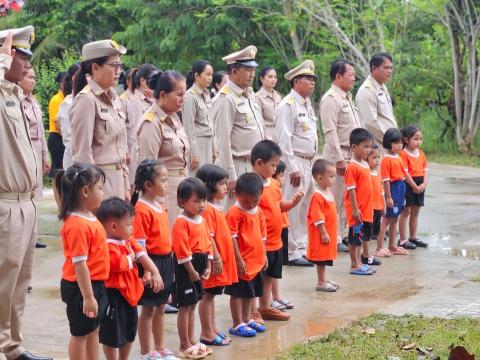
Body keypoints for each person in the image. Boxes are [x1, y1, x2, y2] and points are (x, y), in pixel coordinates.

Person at [0, 26, 52, 360]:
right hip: (5, 203)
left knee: (19, 283)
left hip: (27, 201)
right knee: (2, 283)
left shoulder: (19, 98)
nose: (25, 63)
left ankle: (12, 345)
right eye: (20, 55)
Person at [96, 197, 163, 360]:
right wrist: (131, 258)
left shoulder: (125, 240)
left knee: (128, 332)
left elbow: (140, 254)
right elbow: (118, 264)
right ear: (113, 226)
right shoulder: (107, 244)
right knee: (112, 335)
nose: (132, 229)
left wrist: (150, 273)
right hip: (114, 296)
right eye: (129, 225)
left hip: (130, 296)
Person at [55, 163, 108, 360]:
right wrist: (88, 297)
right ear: (85, 191)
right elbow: (80, 264)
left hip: (94, 284)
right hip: (80, 288)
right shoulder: (77, 225)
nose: (103, 193)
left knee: (93, 329)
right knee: (80, 333)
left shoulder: (89, 218)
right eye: (100, 188)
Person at [70, 39, 129, 200]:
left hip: (118, 180)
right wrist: (92, 191)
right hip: (99, 183)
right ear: (95, 68)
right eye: (113, 66)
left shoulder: (115, 99)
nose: (118, 71)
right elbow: (82, 153)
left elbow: (120, 147)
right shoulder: (86, 100)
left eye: (120, 66)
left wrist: (126, 185)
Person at [131, 160, 177, 360]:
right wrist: (148, 270)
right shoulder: (141, 209)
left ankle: (160, 347)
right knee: (148, 309)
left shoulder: (159, 205)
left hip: (166, 261)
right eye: (164, 180)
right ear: (148, 185)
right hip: (151, 263)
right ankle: (145, 351)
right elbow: (140, 243)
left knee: (160, 308)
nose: (167, 184)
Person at [251, 140, 303, 321]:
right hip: (260, 241)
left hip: (275, 240)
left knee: (269, 276)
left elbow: (280, 206)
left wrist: (293, 203)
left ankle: (265, 306)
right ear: (258, 163)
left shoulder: (274, 184)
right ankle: (253, 310)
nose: (275, 169)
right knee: (257, 276)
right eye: (272, 165)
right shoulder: (252, 186)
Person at [276, 60, 318, 266]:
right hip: (297, 163)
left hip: (308, 162)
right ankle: (292, 252)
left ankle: (301, 247)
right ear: (296, 82)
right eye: (308, 79)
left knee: (306, 208)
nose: (312, 83)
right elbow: (284, 139)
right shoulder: (288, 105)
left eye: (313, 79)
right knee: (293, 208)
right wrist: (291, 168)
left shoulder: (306, 104)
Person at [213, 45, 265, 207]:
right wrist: (231, 175)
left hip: (253, 165)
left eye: (253, 69)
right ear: (234, 71)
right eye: (248, 70)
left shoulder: (249, 94)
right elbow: (223, 140)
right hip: (236, 165)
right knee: (233, 214)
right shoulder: (225, 98)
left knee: (251, 216)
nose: (252, 74)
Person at [137, 70, 190, 226]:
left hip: (181, 188)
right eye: (179, 95)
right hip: (165, 193)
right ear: (163, 95)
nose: (182, 99)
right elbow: (149, 169)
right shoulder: (151, 123)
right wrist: (158, 203)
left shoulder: (174, 117)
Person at [320, 59, 362, 253]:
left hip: (350, 153)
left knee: (347, 197)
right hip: (337, 155)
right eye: (350, 75)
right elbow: (330, 131)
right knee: (334, 198)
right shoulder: (331, 98)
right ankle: (334, 236)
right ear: (338, 76)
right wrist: (338, 159)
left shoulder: (347, 98)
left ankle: (344, 234)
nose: (353, 78)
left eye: (354, 75)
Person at [171, 178, 213, 359]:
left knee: (194, 303)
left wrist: (209, 264)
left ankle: (192, 339)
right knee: (185, 305)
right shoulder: (181, 222)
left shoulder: (201, 219)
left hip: (200, 263)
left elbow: (207, 242)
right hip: (186, 266)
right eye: (196, 201)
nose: (202, 205)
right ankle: (183, 344)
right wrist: (191, 270)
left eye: (203, 200)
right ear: (182, 201)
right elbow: (181, 250)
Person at [196, 164, 237, 346]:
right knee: (207, 296)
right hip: (212, 261)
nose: (225, 187)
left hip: (217, 260)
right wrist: (217, 258)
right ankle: (206, 332)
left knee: (211, 296)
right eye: (221, 183)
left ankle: (212, 329)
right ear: (208, 184)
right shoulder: (207, 210)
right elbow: (208, 237)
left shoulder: (215, 207)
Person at [225, 173, 267, 338]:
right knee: (237, 293)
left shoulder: (258, 211)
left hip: (255, 261)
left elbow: (263, 236)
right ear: (237, 194)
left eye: (254, 201)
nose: (250, 205)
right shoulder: (235, 212)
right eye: (246, 202)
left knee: (251, 293)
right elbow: (231, 236)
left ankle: (247, 318)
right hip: (242, 262)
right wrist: (238, 258)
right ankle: (237, 323)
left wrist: (264, 255)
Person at [344, 128, 376, 276]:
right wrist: (355, 209)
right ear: (354, 147)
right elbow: (351, 190)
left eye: (370, 146)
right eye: (365, 146)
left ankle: (359, 262)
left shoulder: (364, 164)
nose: (368, 150)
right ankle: (354, 264)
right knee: (354, 238)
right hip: (357, 210)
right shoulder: (352, 167)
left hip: (366, 209)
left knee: (360, 237)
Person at [306, 159, 339, 291]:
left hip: (329, 231)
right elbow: (317, 216)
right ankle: (320, 282)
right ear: (319, 178)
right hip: (321, 233)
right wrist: (323, 232)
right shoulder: (317, 196)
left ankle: (324, 279)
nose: (334, 179)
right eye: (331, 177)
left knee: (325, 257)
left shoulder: (328, 192)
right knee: (321, 259)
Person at [375, 128, 409, 257]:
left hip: (400, 189)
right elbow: (386, 180)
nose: (399, 145)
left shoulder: (399, 157)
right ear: (389, 143)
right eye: (396, 143)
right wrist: (388, 197)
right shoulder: (386, 160)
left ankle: (392, 245)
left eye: (401, 143)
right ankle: (379, 248)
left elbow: (403, 176)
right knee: (387, 219)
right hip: (392, 189)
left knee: (395, 219)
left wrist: (403, 195)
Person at [18, 66, 50, 199]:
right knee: (24, 189)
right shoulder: (15, 100)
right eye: (29, 77)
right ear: (19, 79)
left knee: (36, 192)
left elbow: (41, 131)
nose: (33, 81)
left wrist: (45, 156)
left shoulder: (34, 101)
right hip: (24, 149)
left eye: (34, 78)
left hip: (36, 149)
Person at [356, 53, 397, 149]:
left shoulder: (382, 87)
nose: (389, 71)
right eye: (386, 68)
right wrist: (391, 141)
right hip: (377, 146)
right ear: (374, 69)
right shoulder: (367, 90)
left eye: (391, 68)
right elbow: (371, 123)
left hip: (389, 145)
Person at [125, 64, 157, 190]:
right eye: (152, 79)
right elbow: (136, 131)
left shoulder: (150, 100)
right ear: (143, 81)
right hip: (140, 152)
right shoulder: (135, 101)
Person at [399, 125, 429, 248]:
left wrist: (423, 184)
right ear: (406, 140)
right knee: (406, 211)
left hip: (420, 183)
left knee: (415, 212)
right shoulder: (403, 154)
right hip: (408, 184)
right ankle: (402, 240)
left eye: (420, 139)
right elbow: (405, 173)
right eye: (415, 139)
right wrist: (414, 186)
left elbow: (425, 171)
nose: (419, 142)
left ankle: (413, 237)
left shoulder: (421, 154)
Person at [183, 60, 215, 174]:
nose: (210, 78)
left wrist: (213, 148)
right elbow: (188, 127)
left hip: (208, 143)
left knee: (208, 180)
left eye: (211, 74)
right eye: (207, 74)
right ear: (197, 75)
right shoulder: (190, 96)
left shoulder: (207, 95)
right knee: (197, 180)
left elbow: (211, 124)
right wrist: (194, 153)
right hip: (197, 143)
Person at [59, 62, 81, 170]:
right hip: (74, 160)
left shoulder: (88, 99)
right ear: (74, 78)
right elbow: (68, 138)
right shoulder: (67, 103)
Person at [366, 144, 385, 257]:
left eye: (378, 157)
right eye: (374, 157)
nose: (377, 160)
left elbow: (381, 189)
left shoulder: (377, 173)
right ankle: (368, 253)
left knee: (375, 231)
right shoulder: (366, 173)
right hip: (370, 208)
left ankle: (377, 250)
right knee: (368, 233)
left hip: (378, 207)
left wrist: (383, 206)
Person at [47, 71, 66, 177]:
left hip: (63, 137)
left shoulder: (65, 99)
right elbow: (57, 123)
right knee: (57, 172)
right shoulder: (56, 100)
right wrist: (67, 139)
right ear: (62, 84)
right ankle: (57, 194)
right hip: (57, 137)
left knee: (63, 171)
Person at [256, 66, 281, 142]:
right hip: (267, 136)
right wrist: (268, 139)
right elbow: (259, 122)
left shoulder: (278, 96)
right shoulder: (257, 97)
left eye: (275, 77)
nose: (273, 80)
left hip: (280, 134)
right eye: (270, 77)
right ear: (262, 79)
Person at [272, 161, 290, 265]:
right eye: (281, 176)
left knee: (281, 262)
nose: (284, 179)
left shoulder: (279, 190)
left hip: (283, 226)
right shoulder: (273, 190)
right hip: (278, 228)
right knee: (276, 261)